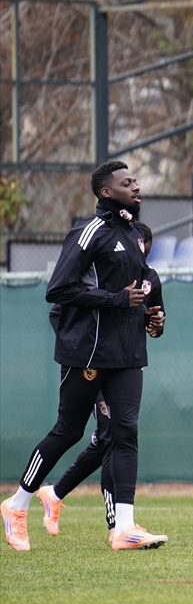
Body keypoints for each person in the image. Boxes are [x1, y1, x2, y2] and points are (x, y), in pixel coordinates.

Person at [2, 161, 167, 551]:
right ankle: (17, 504)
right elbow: (58, 289)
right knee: (68, 431)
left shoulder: (133, 235)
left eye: (136, 180)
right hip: (88, 352)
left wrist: (152, 319)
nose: (136, 186)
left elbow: (138, 293)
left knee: (125, 433)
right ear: (106, 192)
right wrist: (116, 300)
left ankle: (123, 528)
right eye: (127, 183)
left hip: (127, 354)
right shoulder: (89, 231)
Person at [36, 221, 165, 539]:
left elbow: (156, 322)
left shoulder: (150, 280)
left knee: (114, 437)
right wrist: (80, 346)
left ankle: (58, 496)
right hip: (91, 364)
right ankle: (114, 522)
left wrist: (156, 324)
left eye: (140, 245)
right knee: (101, 436)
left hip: (125, 366)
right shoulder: (100, 276)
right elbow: (58, 312)